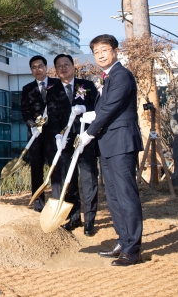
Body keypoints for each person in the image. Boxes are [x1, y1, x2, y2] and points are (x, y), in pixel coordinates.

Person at [78, 34, 144, 266]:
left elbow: (111, 108)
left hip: (121, 141)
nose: (101, 55)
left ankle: (132, 249)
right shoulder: (105, 77)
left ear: (115, 51)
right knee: (114, 196)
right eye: (96, 52)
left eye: (105, 50)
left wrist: (89, 132)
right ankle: (123, 240)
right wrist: (92, 115)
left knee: (126, 195)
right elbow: (104, 108)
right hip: (107, 143)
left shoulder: (121, 75)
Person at [47, 54, 99, 235]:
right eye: (59, 66)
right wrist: (57, 136)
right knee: (68, 181)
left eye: (66, 64)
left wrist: (88, 113)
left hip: (85, 139)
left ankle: (90, 220)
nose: (63, 68)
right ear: (56, 70)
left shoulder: (86, 86)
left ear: (73, 67)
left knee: (88, 179)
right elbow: (52, 116)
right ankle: (74, 217)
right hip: (65, 141)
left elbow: (97, 109)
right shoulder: (52, 91)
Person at [20, 56, 60, 212]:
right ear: (31, 70)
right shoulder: (27, 88)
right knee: (36, 168)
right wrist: (32, 125)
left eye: (40, 66)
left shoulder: (57, 84)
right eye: (34, 67)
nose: (38, 69)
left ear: (46, 67)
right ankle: (38, 204)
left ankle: (57, 201)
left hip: (55, 134)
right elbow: (25, 110)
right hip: (35, 136)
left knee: (55, 167)